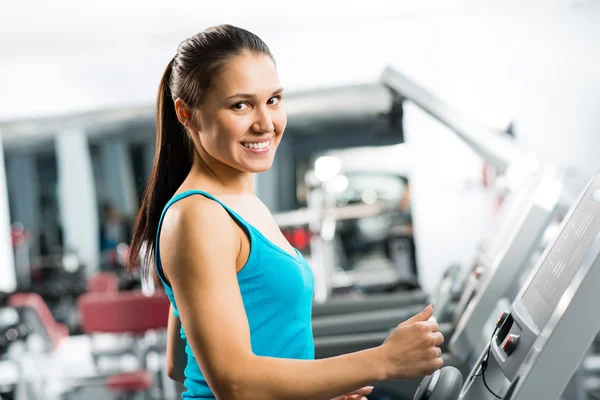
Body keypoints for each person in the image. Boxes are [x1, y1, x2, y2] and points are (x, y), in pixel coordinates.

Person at [128, 24, 444, 400]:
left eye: (274, 100)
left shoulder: (239, 206)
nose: (265, 123)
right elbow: (234, 382)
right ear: (187, 114)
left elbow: (180, 363)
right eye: (240, 105)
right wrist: (383, 360)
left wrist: (316, 391)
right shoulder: (198, 216)